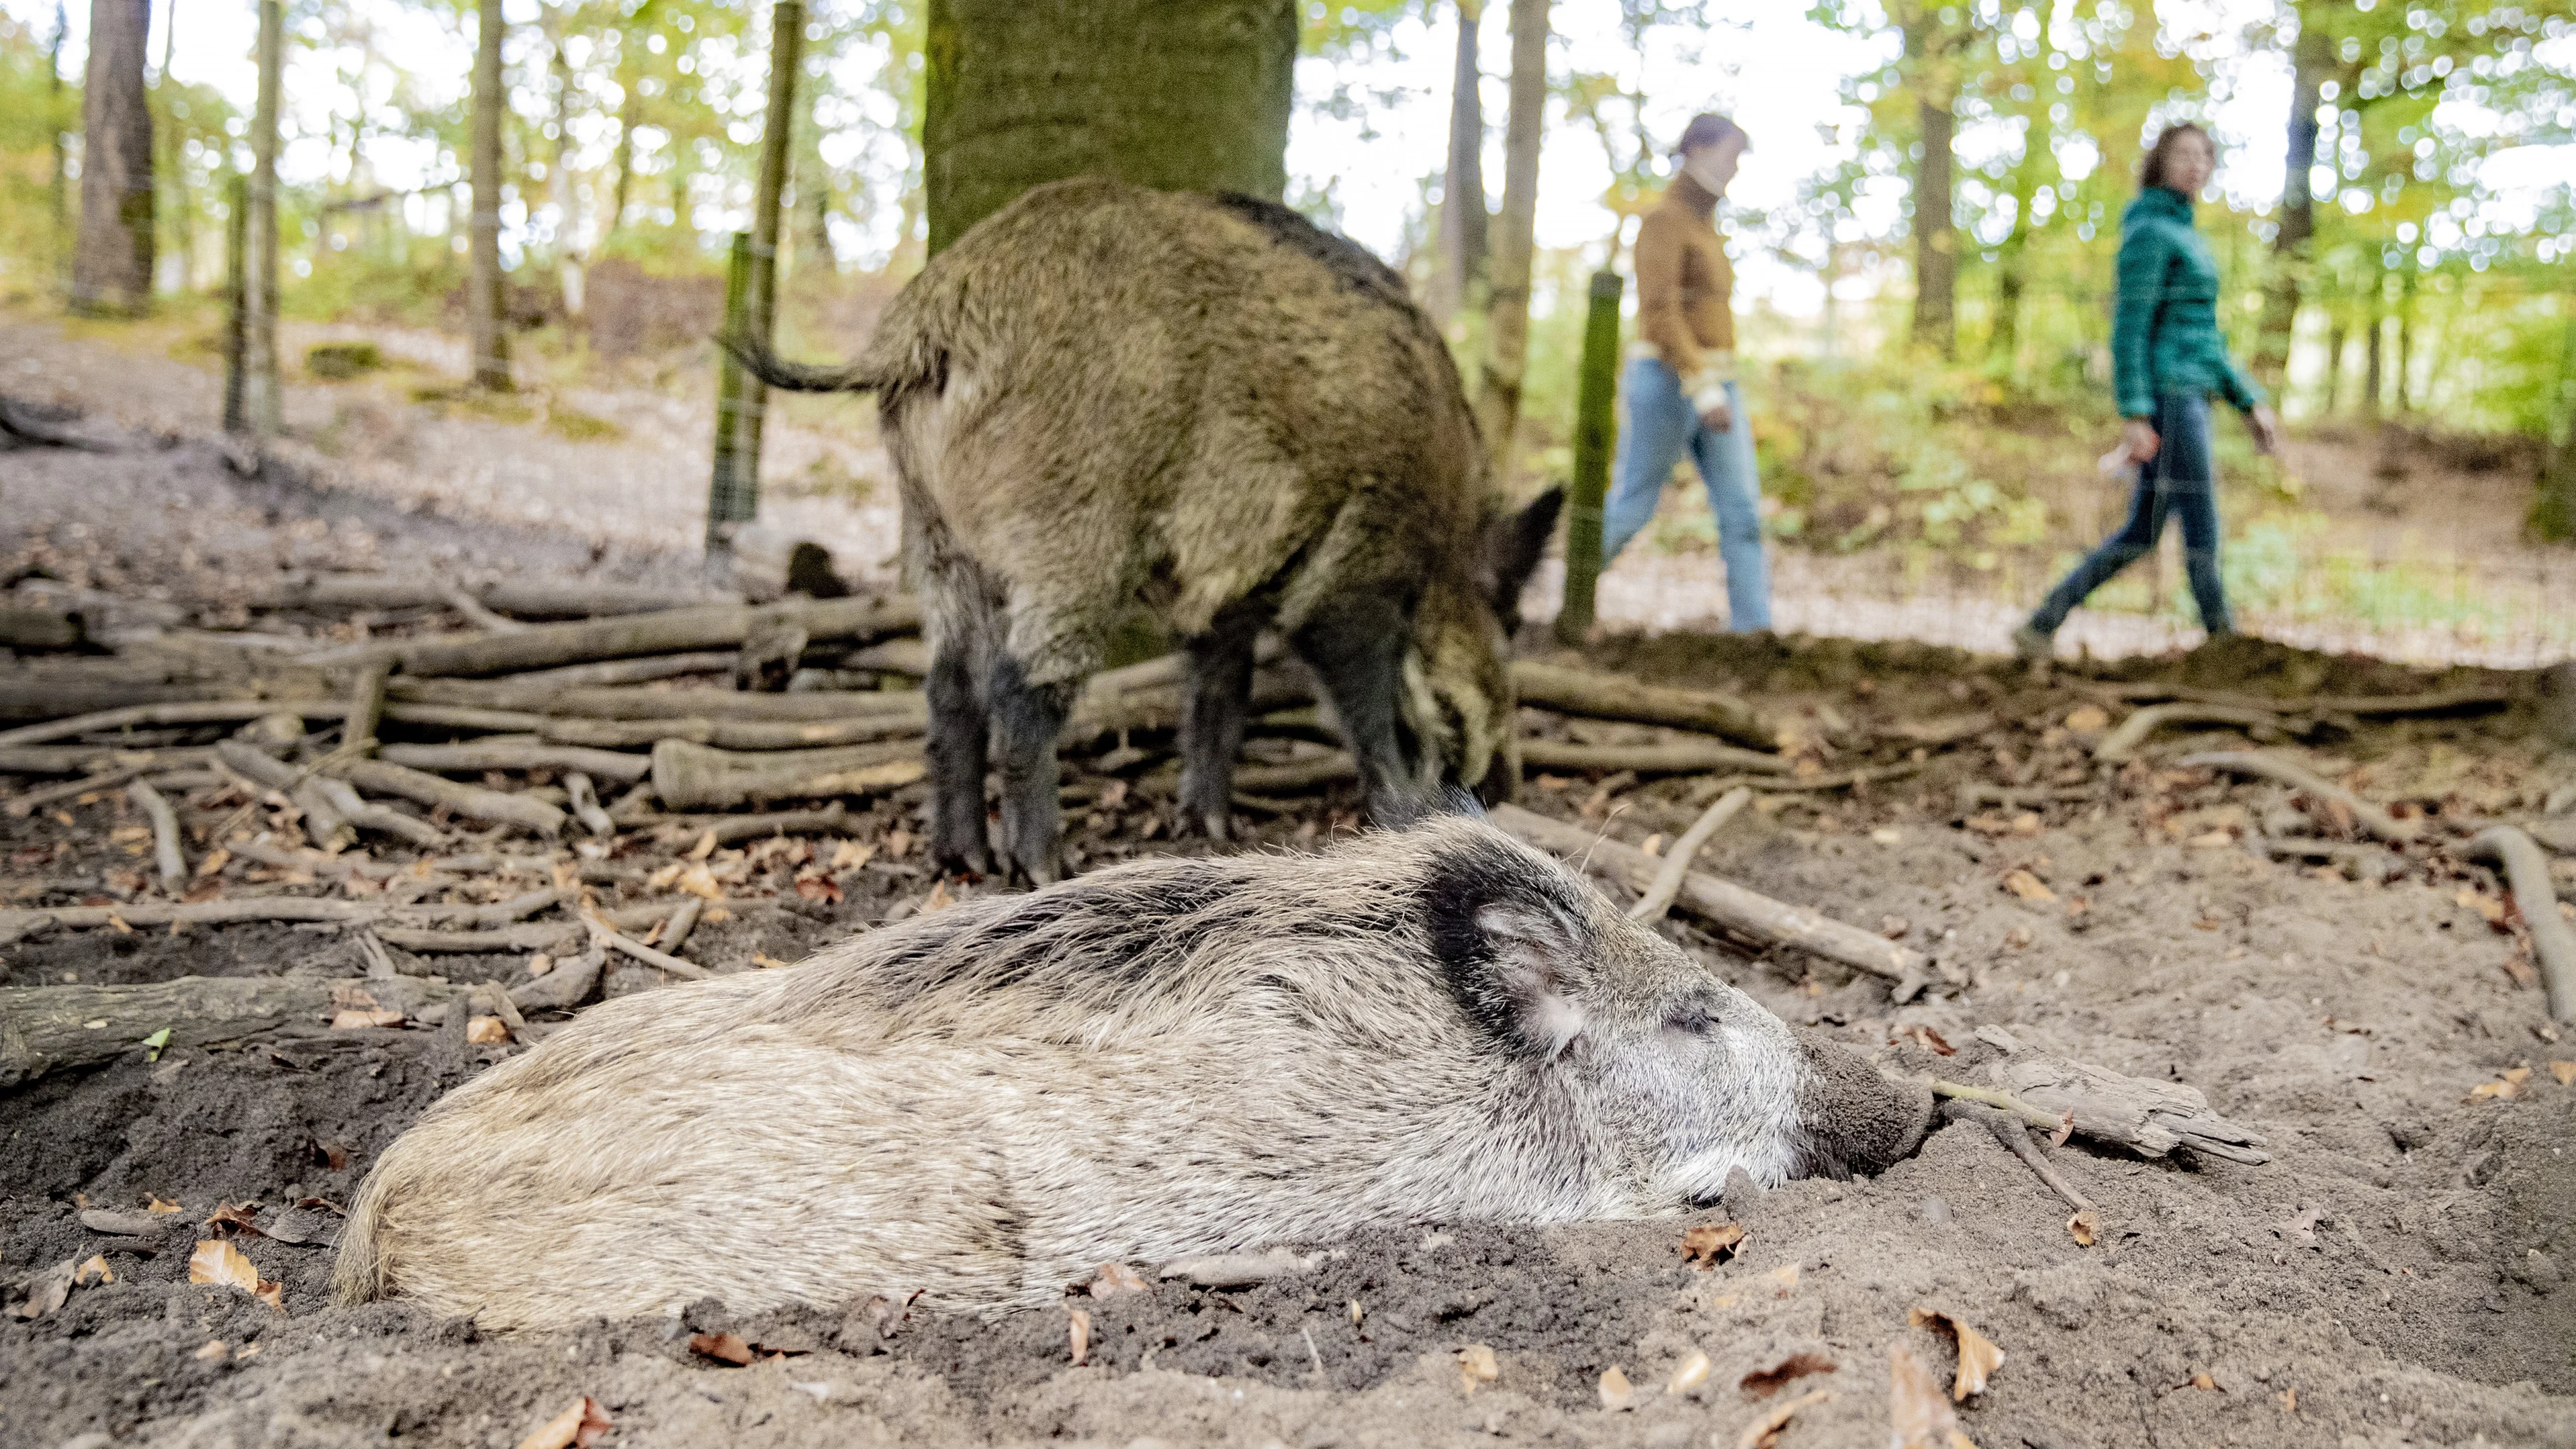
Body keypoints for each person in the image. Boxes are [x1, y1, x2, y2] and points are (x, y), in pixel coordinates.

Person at [2015, 123, 2280, 662]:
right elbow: (2129, 326)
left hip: (2193, 389)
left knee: (2142, 531)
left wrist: (2247, 399)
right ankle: (2224, 644)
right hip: (2171, 396)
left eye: (2205, 155)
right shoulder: (2149, 233)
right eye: (2183, 154)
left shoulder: (2188, 235)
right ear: (2159, 162)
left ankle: (2042, 622)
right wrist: (2135, 411)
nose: (2195, 164)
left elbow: (2204, 337)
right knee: (2201, 519)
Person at [1599, 113, 1770, 633]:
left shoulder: (1706, 226)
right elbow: (1659, 310)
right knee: (1633, 506)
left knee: (1742, 514)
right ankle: (1561, 598)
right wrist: (1700, 384)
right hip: (1669, 381)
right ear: (1696, 148)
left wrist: (1717, 382)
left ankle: (1753, 633)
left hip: (1720, 383)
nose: (1735, 168)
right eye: (1729, 155)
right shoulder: (1664, 221)